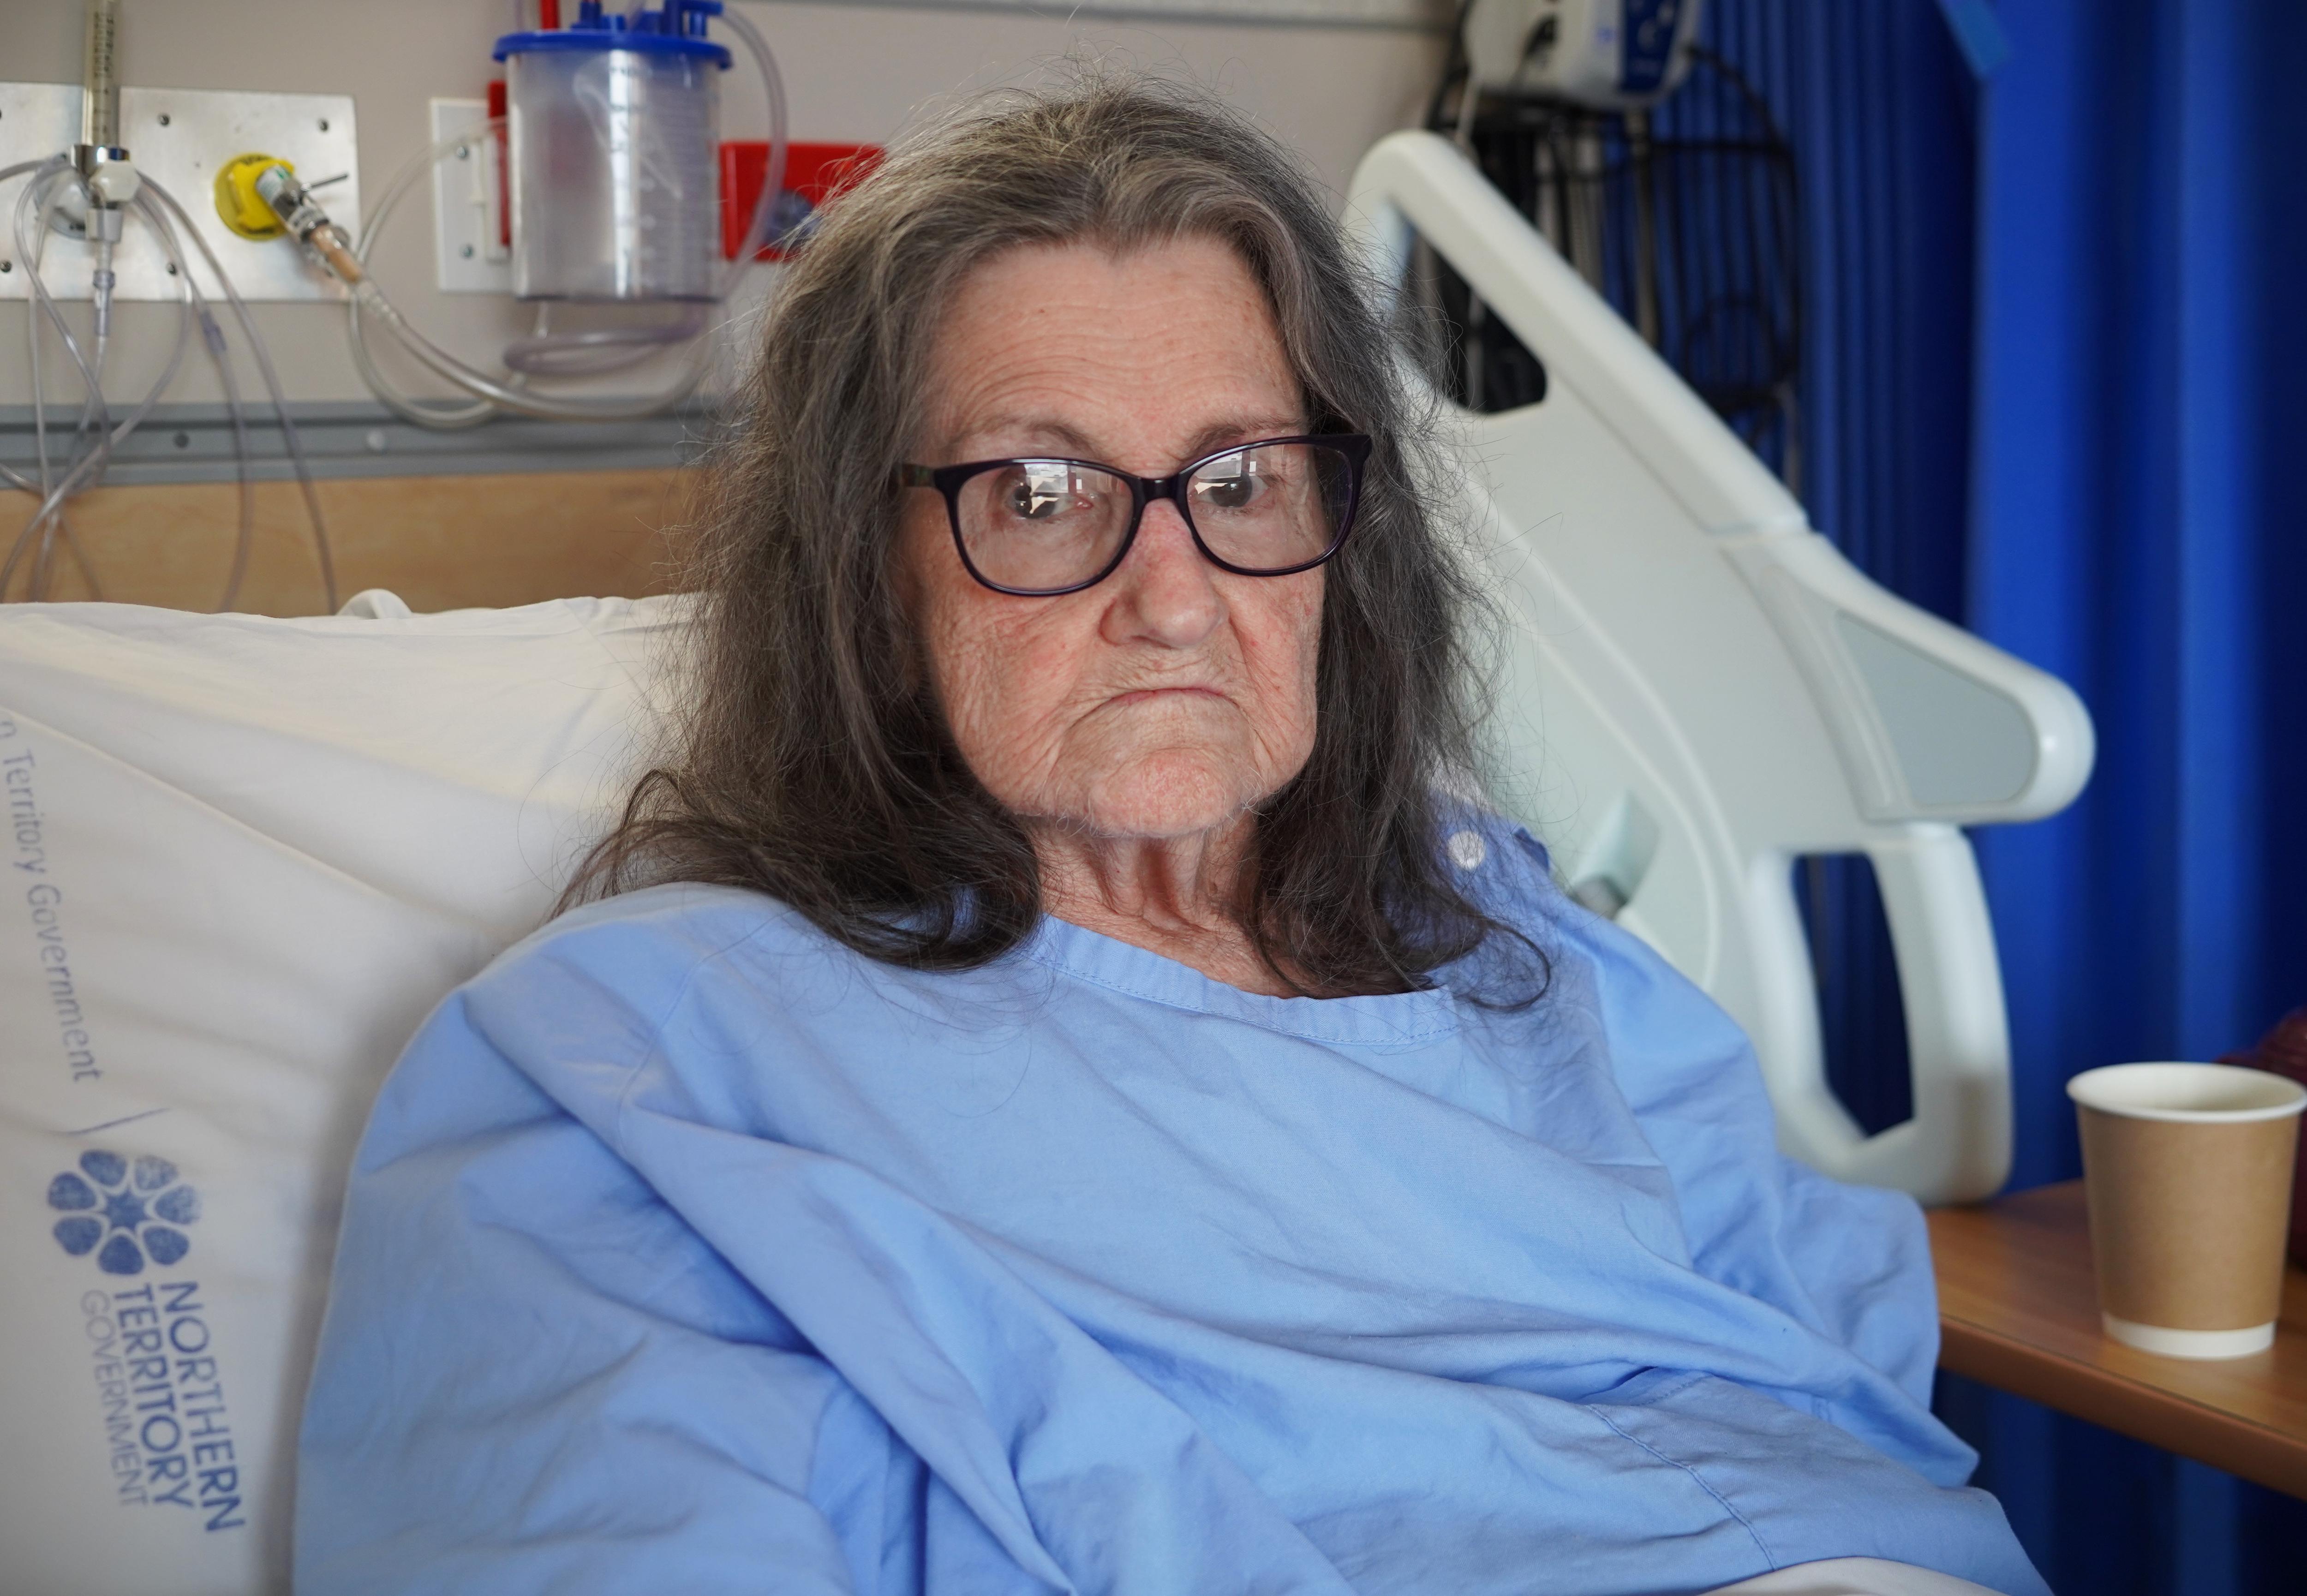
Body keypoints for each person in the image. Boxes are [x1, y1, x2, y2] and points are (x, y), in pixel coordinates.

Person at [295, 78, 2048, 1596]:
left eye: (1242, 480)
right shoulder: (640, 1058)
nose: (1175, 598)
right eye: (1038, 494)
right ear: (863, 577)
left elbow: (1835, 1367)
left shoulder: (1511, 946)